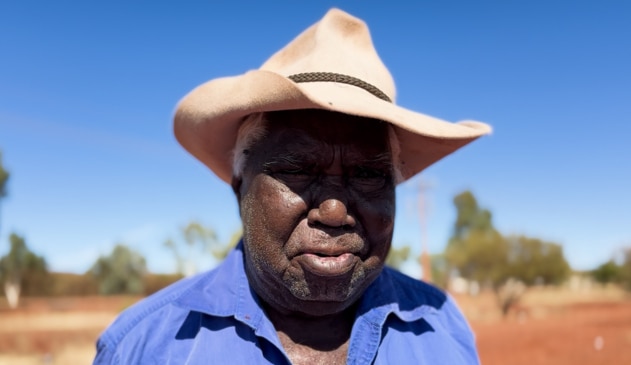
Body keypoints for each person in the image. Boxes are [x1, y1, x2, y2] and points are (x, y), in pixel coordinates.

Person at [94, 8, 491, 365]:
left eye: (368, 175)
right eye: (297, 170)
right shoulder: (143, 347)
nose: (335, 212)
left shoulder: (440, 326)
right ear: (239, 186)